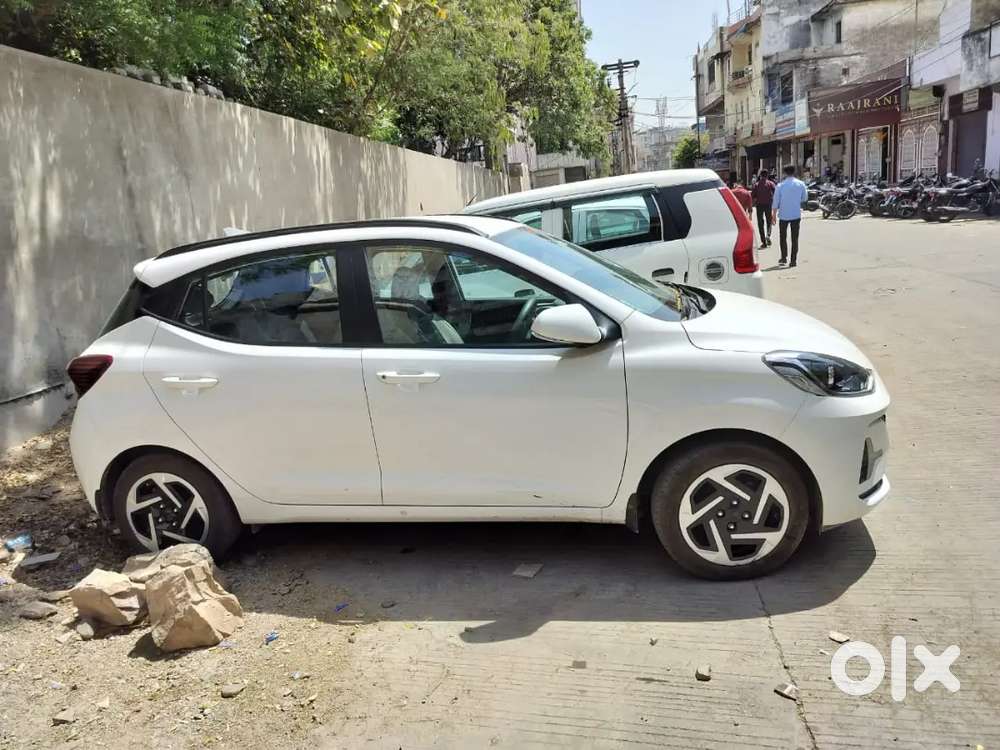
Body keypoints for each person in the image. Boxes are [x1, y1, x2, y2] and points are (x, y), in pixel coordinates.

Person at [771, 164, 809, 267]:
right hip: (796, 214)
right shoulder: (801, 184)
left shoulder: (780, 185)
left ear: (784, 173)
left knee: (783, 237)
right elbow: (804, 198)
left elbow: (775, 202)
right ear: (794, 172)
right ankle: (793, 260)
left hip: (783, 215)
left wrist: (773, 215)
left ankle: (783, 257)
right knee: (794, 238)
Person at [750, 169, 775, 248]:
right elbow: (776, 193)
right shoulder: (771, 183)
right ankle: (768, 235)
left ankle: (763, 242)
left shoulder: (756, 185)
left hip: (759, 205)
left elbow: (752, 195)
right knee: (769, 221)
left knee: (760, 223)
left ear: (760, 176)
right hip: (768, 205)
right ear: (767, 175)